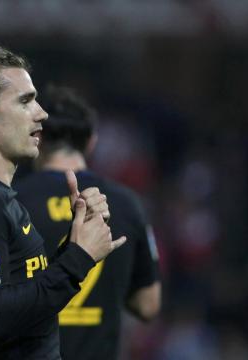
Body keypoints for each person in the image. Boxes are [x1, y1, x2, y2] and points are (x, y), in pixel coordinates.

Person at [0, 43, 126, 359]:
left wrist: (73, 244)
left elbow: (18, 298)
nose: (42, 113)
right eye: (25, 101)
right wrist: (78, 259)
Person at [15, 85, 161, 360]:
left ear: (38, 137)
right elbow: (148, 304)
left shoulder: (13, 201)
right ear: (92, 140)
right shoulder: (127, 204)